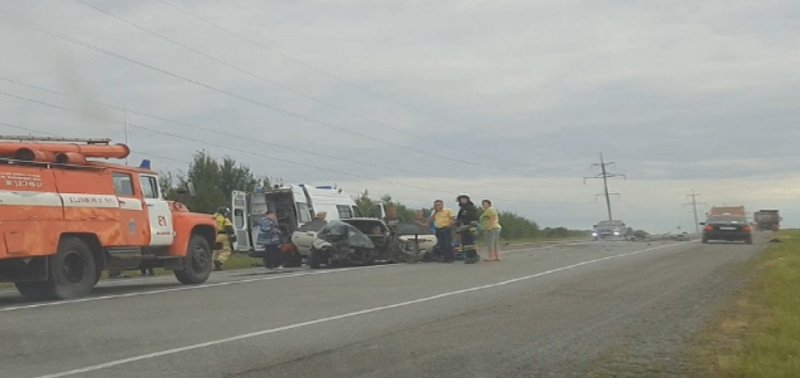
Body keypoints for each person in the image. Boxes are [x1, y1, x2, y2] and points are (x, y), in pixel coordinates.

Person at [456, 194, 480, 264]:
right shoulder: (462, 208)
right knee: (465, 243)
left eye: (464, 199)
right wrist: (458, 223)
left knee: (470, 242)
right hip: (463, 228)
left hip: (469, 227)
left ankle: (472, 257)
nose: (463, 200)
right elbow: (460, 218)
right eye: (461, 199)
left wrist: (472, 225)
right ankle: (469, 256)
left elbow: (474, 217)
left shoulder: (471, 207)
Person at [213, 207, 236, 271]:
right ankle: (219, 261)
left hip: (213, 236)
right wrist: (232, 236)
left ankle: (215, 265)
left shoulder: (212, 217)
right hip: (223, 235)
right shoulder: (225, 219)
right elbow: (229, 228)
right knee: (226, 250)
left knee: (216, 251)